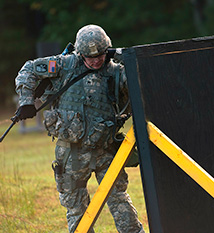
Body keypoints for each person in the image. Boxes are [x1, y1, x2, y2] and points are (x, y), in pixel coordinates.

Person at [15, 24, 144, 233]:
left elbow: (141, 89)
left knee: (119, 199)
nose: (95, 60)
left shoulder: (117, 72)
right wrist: (26, 101)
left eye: (100, 55)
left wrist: (130, 65)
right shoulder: (63, 65)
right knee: (76, 208)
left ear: (107, 51)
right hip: (71, 153)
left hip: (106, 150)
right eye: (89, 56)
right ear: (79, 53)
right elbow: (28, 70)